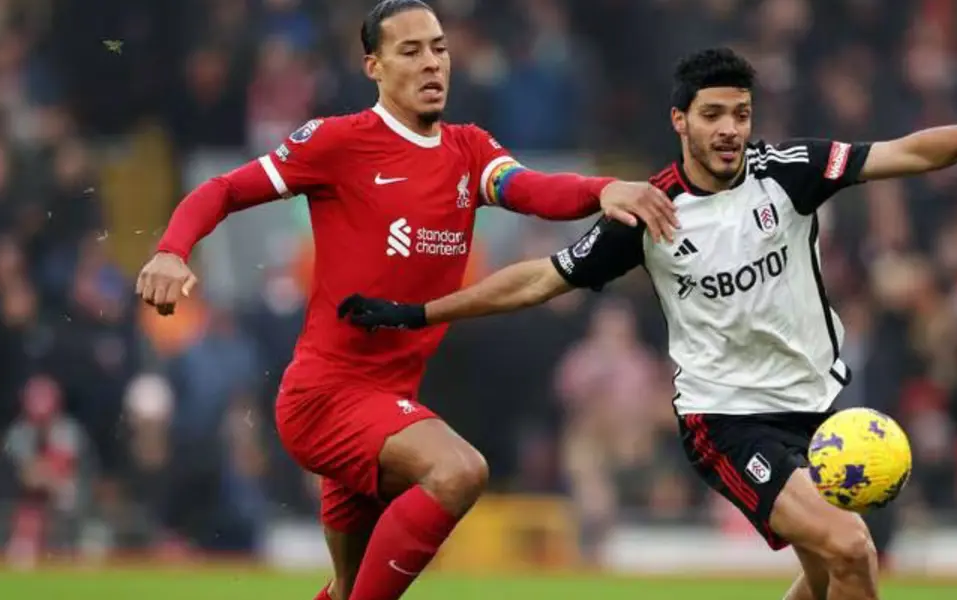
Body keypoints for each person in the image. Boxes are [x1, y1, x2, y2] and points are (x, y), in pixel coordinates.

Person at [337, 47, 957, 600]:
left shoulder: (788, 171)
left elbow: (907, 153)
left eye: (741, 114)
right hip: (727, 418)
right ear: (681, 121)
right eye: (713, 115)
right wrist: (420, 313)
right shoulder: (649, 212)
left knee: (824, 573)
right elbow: (541, 278)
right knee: (852, 548)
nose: (730, 129)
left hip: (817, 406)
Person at [134, 1, 678, 599]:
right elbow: (222, 189)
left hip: (390, 399)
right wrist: (171, 250)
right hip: (327, 397)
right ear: (374, 65)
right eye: (410, 51)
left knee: (348, 588)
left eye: (439, 49)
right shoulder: (339, 141)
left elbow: (531, 189)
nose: (431, 63)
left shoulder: (469, 151)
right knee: (459, 470)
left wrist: (605, 189)